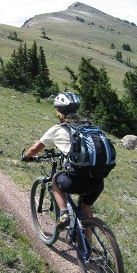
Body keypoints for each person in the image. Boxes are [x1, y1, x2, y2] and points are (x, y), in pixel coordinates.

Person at [22, 92, 104, 230]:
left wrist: (26, 157)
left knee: (56, 179)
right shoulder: (89, 127)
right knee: (85, 208)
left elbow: (36, 148)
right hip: (98, 180)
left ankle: (64, 214)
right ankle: (87, 247)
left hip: (77, 179)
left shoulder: (57, 130)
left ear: (59, 111)